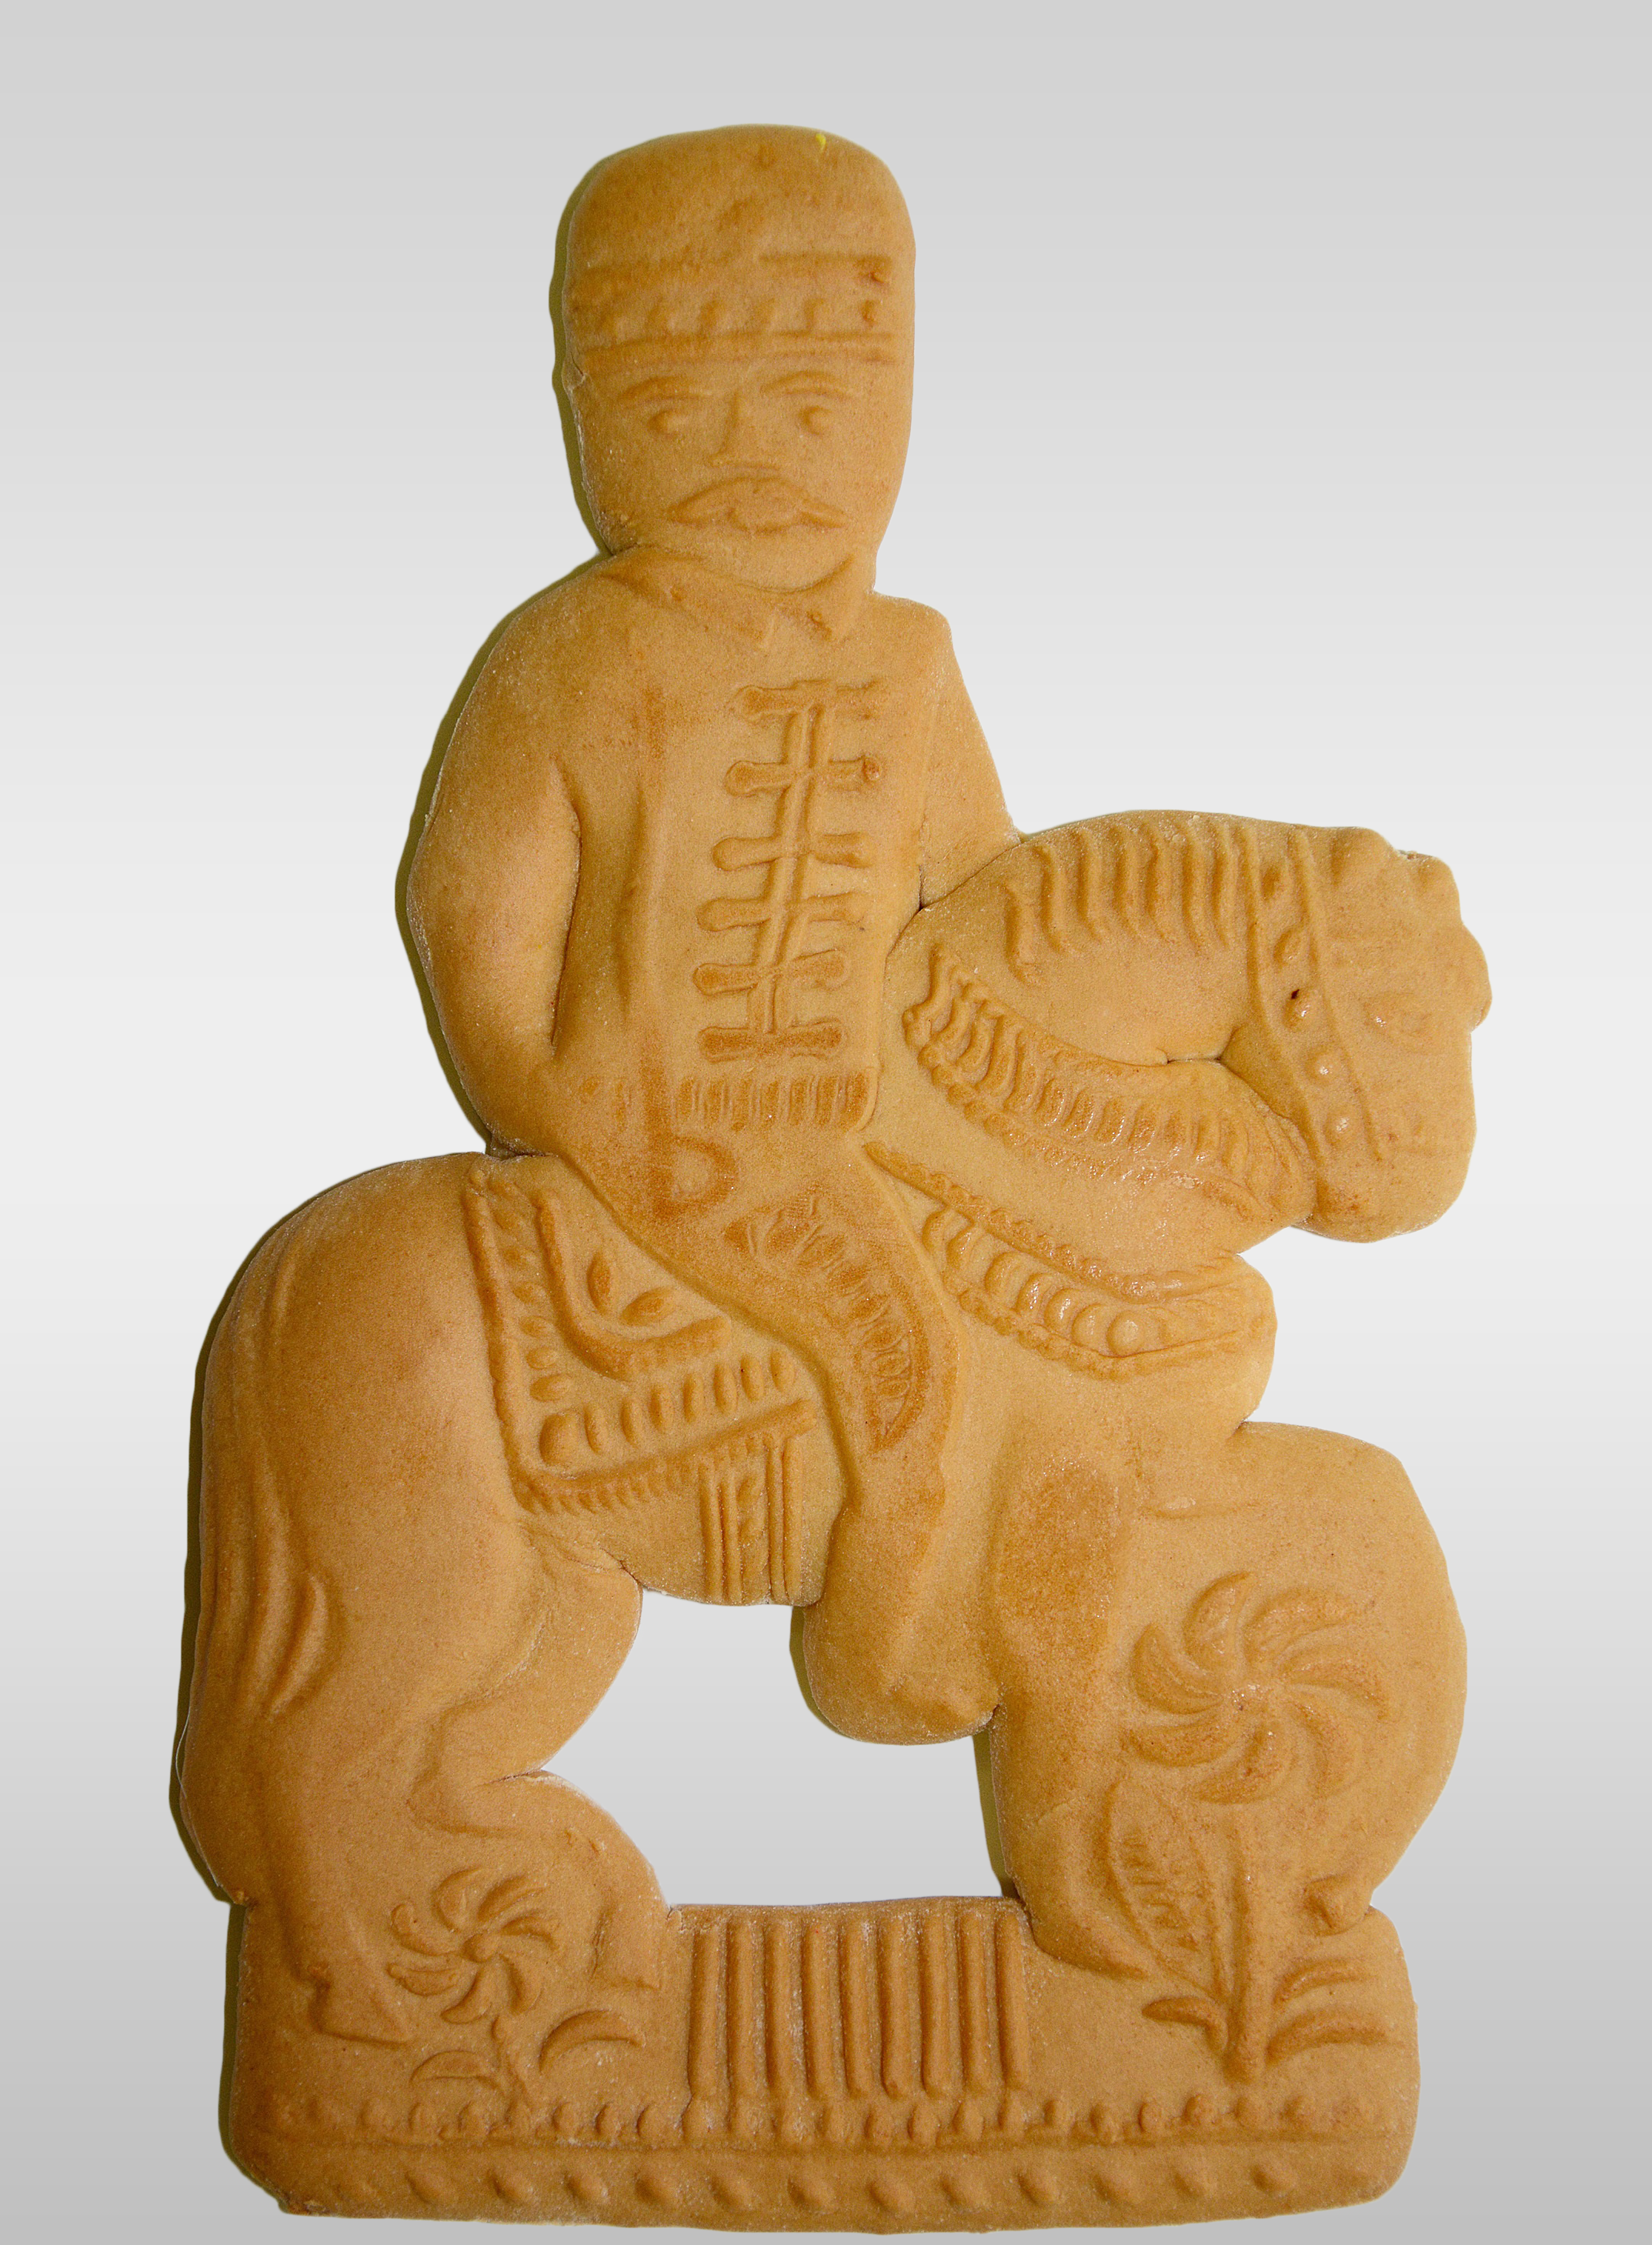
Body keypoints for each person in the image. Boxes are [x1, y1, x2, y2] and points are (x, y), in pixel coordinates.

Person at [409, 125, 1018, 1743]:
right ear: (586, 411)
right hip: (681, 1139)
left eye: (811, 411)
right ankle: (878, 1654)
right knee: (918, 1364)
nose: (750, 460)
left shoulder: (910, 661)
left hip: (888, 1124)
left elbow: (982, 913)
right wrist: (561, 1108)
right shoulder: (566, 654)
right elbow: (471, 915)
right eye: (680, 417)